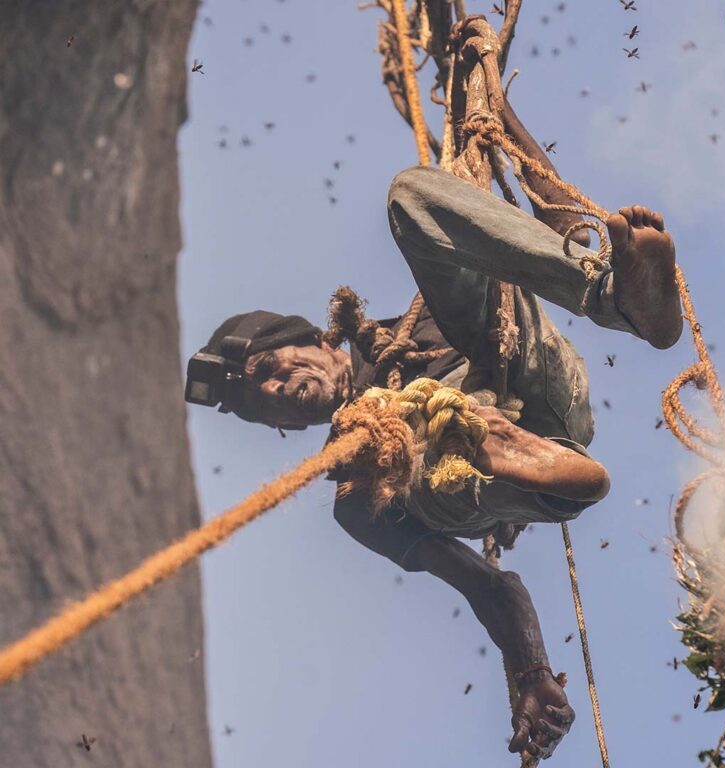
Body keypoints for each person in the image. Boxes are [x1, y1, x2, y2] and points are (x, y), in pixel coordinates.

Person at [185, 161, 682, 761]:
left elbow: (513, 192)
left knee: (410, 195)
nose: (272, 391)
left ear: (314, 338)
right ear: (283, 429)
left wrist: (488, 105)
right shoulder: (353, 499)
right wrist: (531, 673)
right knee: (384, 475)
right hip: (513, 472)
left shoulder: (422, 320)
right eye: (258, 406)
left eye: (269, 369)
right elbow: (488, 584)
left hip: (531, 377)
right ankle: (486, 449)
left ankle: (618, 301)